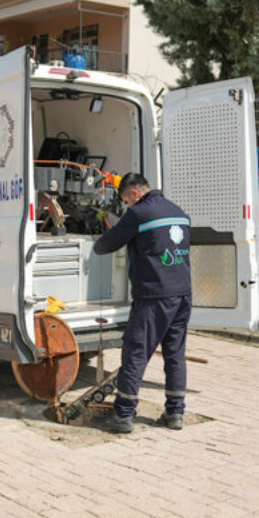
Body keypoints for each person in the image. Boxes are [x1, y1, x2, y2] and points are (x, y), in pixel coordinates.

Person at [94, 173, 192, 433]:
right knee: (175, 355)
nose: (127, 205)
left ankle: (124, 416)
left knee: (136, 352)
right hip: (182, 294)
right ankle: (175, 414)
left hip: (153, 296)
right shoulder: (179, 211)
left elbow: (104, 247)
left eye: (126, 200)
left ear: (134, 194)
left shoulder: (138, 214)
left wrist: (105, 231)